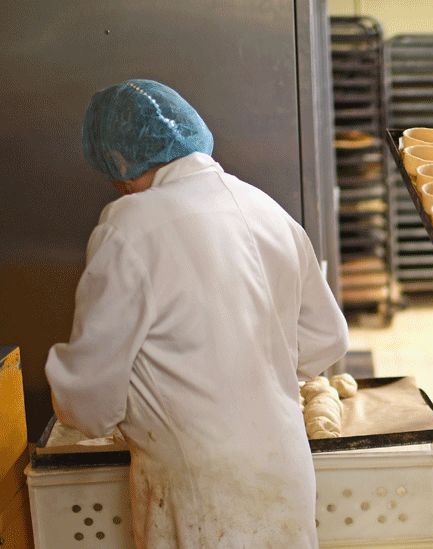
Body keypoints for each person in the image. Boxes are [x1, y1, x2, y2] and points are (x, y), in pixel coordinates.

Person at [45, 79, 349, 548]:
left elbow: (89, 393)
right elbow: (327, 340)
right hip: (285, 470)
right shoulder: (267, 209)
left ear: (122, 165)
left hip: (199, 490)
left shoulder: (129, 227)